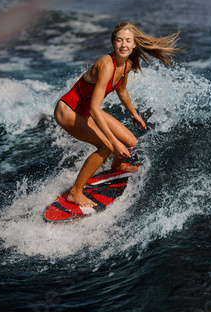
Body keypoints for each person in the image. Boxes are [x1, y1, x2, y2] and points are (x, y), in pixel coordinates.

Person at [54, 21, 180, 207]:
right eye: (119, 40)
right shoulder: (106, 65)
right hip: (68, 110)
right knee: (107, 147)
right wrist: (113, 142)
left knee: (131, 142)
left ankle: (117, 166)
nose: (124, 45)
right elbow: (95, 110)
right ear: (113, 42)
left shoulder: (126, 64)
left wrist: (133, 113)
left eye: (128, 41)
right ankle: (75, 192)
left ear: (134, 44)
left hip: (85, 110)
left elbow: (122, 91)